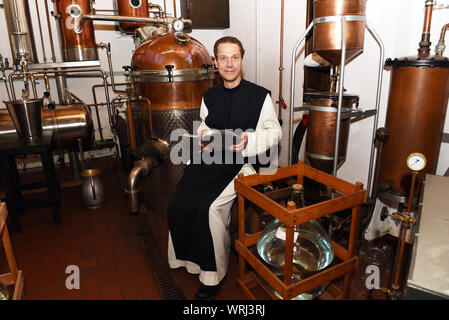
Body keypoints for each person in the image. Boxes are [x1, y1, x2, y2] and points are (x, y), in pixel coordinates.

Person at [167, 36, 282, 300]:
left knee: (208, 208)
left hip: (242, 162)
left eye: (235, 57)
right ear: (215, 63)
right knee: (179, 202)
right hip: (212, 159)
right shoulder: (209, 96)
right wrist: (203, 140)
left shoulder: (260, 95)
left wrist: (248, 140)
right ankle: (187, 261)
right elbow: (207, 127)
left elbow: (274, 132)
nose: (229, 64)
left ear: (242, 59)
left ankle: (213, 275)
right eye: (223, 58)